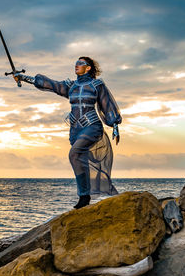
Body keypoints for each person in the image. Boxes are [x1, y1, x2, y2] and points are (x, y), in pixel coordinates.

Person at [14, 57, 122, 209]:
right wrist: (23, 78)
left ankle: (84, 197)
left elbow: (107, 104)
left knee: (74, 153)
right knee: (78, 159)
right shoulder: (71, 86)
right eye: (75, 63)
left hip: (92, 126)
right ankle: (84, 196)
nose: (76, 66)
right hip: (75, 129)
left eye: (80, 63)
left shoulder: (97, 84)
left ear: (88, 68)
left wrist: (115, 125)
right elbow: (51, 84)